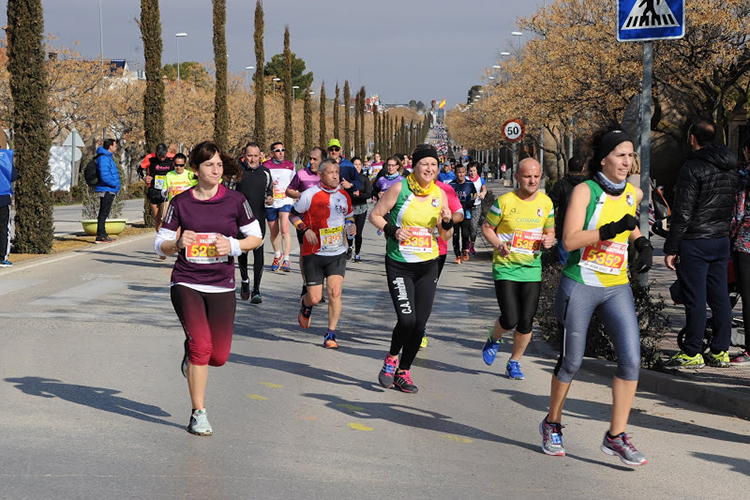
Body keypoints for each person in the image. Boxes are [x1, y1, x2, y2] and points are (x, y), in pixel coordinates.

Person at [540, 129, 652, 466]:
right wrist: (608, 231)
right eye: (620, 155)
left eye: (630, 155)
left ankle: (615, 436)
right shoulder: (584, 192)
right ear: (604, 158)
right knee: (572, 361)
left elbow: (629, 222)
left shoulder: (634, 192)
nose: (627, 161)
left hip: (616, 286)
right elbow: (570, 240)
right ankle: (552, 423)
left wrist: (640, 241)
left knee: (631, 361)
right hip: (581, 284)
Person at [154, 140, 263, 436]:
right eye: (209, 165)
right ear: (196, 169)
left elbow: (256, 237)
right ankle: (198, 413)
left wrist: (234, 245)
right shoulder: (181, 202)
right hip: (186, 281)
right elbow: (159, 243)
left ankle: (191, 355)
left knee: (218, 356)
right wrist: (176, 244)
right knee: (202, 347)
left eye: (218, 165)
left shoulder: (235, 200)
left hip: (222, 285)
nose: (216, 170)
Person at [369, 144, 453, 393]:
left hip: (428, 265)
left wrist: (446, 222)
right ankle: (392, 358)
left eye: (434, 165)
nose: (430, 169)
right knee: (406, 320)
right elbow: (376, 215)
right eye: (424, 164)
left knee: (420, 324)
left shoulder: (440, 194)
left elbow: (445, 237)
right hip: (400, 264)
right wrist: (393, 230)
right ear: (414, 166)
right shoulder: (399, 187)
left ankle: (403, 372)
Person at [665, 119, 738, 368]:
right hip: (720, 240)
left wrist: (671, 248)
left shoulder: (692, 168)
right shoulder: (730, 166)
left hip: (696, 241)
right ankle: (720, 350)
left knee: (695, 298)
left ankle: (693, 351)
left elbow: (682, 213)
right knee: (720, 297)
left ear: (692, 138)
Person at [480, 158, 554, 379]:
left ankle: (514, 362)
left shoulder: (546, 203)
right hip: (506, 267)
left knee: (526, 320)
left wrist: (549, 240)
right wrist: (498, 245)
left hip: (531, 267)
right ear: (517, 177)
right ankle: (494, 338)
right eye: (527, 176)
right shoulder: (504, 201)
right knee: (510, 318)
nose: (532, 180)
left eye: (536, 176)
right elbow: (487, 228)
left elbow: (550, 232)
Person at [291, 158, 355, 349]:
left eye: (337, 172)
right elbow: (293, 214)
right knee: (315, 297)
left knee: (335, 292)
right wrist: (305, 230)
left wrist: (351, 226)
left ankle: (331, 334)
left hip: (337, 252)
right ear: (320, 175)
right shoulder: (309, 194)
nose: (336, 176)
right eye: (331, 173)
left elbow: (349, 216)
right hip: (314, 252)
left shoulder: (344, 195)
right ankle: (306, 304)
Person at [236, 142, 273, 304]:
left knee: (259, 253)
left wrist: (270, 198)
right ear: (244, 155)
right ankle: (244, 280)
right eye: (249, 155)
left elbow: (269, 192)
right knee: (242, 253)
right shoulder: (238, 171)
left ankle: (256, 290)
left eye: (255, 156)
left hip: (258, 219)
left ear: (261, 156)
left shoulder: (265, 173)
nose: (252, 159)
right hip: (239, 220)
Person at [287, 147, 325, 297]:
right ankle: (306, 284)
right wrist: (302, 195)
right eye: (310, 159)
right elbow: (288, 191)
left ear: (323, 161)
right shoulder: (301, 174)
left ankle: (319, 285)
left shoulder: (327, 175)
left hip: (323, 223)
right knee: (305, 254)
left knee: (322, 255)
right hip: (303, 222)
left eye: (315, 159)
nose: (311, 162)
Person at [730, 136, 750, 364]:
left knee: (748, 298)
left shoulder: (744, 176)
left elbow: (738, 212)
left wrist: (731, 234)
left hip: (746, 243)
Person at [263, 141, 296, 273]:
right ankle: (278, 255)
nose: (281, 152)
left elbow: (294, 182)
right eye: (277, 150)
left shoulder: (290, 165)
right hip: (271, 202)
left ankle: (287, 259)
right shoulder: (265, 166)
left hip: (285, 201)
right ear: (272, 153)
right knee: (274, 231)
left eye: (283, 150)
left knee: (285, 228)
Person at [548, 157, 586, 265]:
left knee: (565, 262)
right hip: (585, 227)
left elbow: (550, 205)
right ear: (583, 169)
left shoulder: (561, 184)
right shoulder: (589, 185)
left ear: (568, 168)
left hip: (564, 227)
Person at [139, 143, 174, 231]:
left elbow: (180, 167)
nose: (162, 158)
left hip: (166, 190)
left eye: (163, 156)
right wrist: (144, 178)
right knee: (157, 217)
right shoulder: (150, 158)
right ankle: (159, 238)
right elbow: (139, 170)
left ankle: (164, 236)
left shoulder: (172, 158)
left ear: (167, 153)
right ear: (156, 153)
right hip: (154, 190)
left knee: (164, 216)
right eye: (159, 156)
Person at [94, 139, 121, 244]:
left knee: (104, 212)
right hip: (106, 189)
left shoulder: (107, 157)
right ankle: (100, 236)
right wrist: (114, 184)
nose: (116, 148)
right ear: (110, 146)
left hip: (109, 189)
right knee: (103, 213)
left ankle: (103, 234)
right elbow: (104, 175)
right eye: (115, 146)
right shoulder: (104, 158)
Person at [449, 164, 477, 263]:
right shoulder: (451, 185)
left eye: (463, 172)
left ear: (465, 172)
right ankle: (457, 256)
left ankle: (465, 250)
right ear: (455, 173)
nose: (461, 174)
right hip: (455, 213)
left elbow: (475, 193)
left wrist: (472, 201)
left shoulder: (469, 183)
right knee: (455, 235)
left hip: (466, 212)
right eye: (459, 172)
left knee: (465, 233)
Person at [349, 156, 373, 263]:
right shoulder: (347, 179)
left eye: (359, 164)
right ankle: (350, 248)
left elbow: (369, 194)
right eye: (355, 164)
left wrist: (359, 194)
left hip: (361, 208)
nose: (357, 166)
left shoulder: (364, 179)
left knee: (358, 233)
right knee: (349, 231)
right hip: (349, 209)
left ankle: (357, 254)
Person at [0, 148, 17, 267]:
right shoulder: (5, 157)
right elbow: (13, 176)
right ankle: (2, 258)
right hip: (3, 196)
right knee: (3, 228)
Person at [466, 162, 487, 256]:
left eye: (474, 171)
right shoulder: (465, 179)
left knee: (474, 226)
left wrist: (483, 193)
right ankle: (466, 244)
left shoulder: (480, 180)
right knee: (467, 226)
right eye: (470, 171)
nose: (472, 173)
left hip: (477, 206)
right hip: (466, 206)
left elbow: (484, 189)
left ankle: (472, 245)